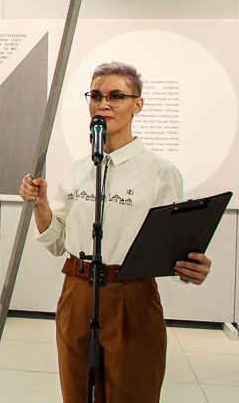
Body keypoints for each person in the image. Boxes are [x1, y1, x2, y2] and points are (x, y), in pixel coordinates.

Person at [20, 61, 211, 403]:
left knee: (134, 391)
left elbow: (173, 245)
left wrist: (192, 266)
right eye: (96, 96)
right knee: (77, 391)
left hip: (131, 295)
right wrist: (41, 205)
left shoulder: (160, 173)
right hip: (77, 291)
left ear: (138, 105)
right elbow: (58, 243)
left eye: (116, 96)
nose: (103, 104)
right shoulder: (77, 171)